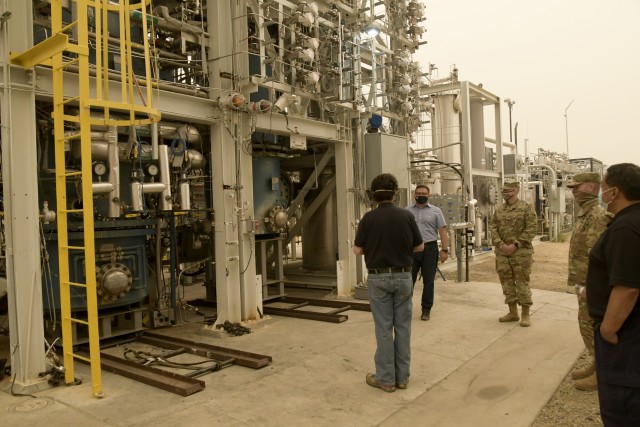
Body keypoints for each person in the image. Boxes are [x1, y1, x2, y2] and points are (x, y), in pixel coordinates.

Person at [353, 173, 423, 393]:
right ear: (395, 193)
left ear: (374, 195)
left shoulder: (368, 218)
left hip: (378, 277)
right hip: (403, 277)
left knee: (384, 329)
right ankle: (402, 378)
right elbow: (419, 247)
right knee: (403, 328)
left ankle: (385, 380)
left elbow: (357, 250)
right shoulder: (406, 216)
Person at [586, 163, 640, 425]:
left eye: (604, 187)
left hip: (625, 335)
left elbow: (628, 287)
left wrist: (608, 331)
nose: (601, 192)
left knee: (621, 410)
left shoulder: (625, 228)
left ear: (615, 192)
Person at [566, 172, 612, 391]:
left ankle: (603, 375)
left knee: (591, 326)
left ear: (592, 188)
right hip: (583, 282)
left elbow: (597, 257)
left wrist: (591, 286)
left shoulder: (597, 217)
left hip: (591, 285)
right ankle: (597, 365)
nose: (574, 191)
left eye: (577, 187)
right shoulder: (585, 214)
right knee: (586, 325)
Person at [489, 180, 537, 327]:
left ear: (516, 190)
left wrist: (516, 244)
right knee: (507, 282)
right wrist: (501, 244)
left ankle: (525, 314)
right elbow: (493, 227)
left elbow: (532, 228)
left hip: (521, 253)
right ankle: (512, 312)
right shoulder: (499, 209)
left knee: (522, 282)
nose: (505, 193)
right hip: (503, 252)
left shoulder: (526, 208)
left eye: (508, 190)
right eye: (503, 190)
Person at [406, 185, 449, 321]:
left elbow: (442, 231)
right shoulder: (406, 211)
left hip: (429, 249)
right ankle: (405, 309)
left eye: (424, 193)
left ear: (429, 195)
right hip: (411, 250)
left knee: (428, 281)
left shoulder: (436, 211)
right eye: (419, 193)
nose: (421, 195)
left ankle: (426, 309)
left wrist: (444, 250)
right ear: (414, 194)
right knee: (407, 280)